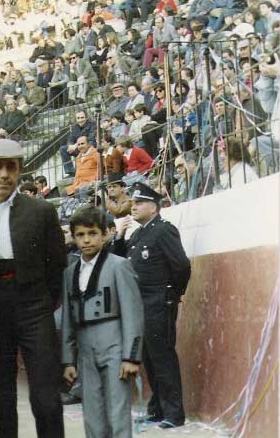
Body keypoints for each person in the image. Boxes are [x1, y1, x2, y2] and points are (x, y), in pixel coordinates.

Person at [0, 139, 66, 438]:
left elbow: (57, 264)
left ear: (19, 171)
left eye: (11, 167)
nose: (3, 174)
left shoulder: (41, 211)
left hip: (34, 306)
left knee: (46, 394)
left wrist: (43, 301)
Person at [61, 205, 144, 438]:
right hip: (86, 348)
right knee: (92, 413)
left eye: (92, 233)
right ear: (74, 237)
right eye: (80, 235)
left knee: (117, 412)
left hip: (115, 344)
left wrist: (131, 356)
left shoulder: (119, 265)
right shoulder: (70, 273)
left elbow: (133, 313)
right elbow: (68, 318)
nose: (86, 240)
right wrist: (68, 360)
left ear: (105, 234)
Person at [124, 183, 191, 429]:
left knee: (162, 357)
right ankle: (157, 408)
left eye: (139, 202)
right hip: (140, 304)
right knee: (149, 358)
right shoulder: (138, 234)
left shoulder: (164, 231)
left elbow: (181, 265)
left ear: (154, 207)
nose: (133, 206)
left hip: (159, 302)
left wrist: (173, 293)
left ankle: (174, 414)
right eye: (133, 202)